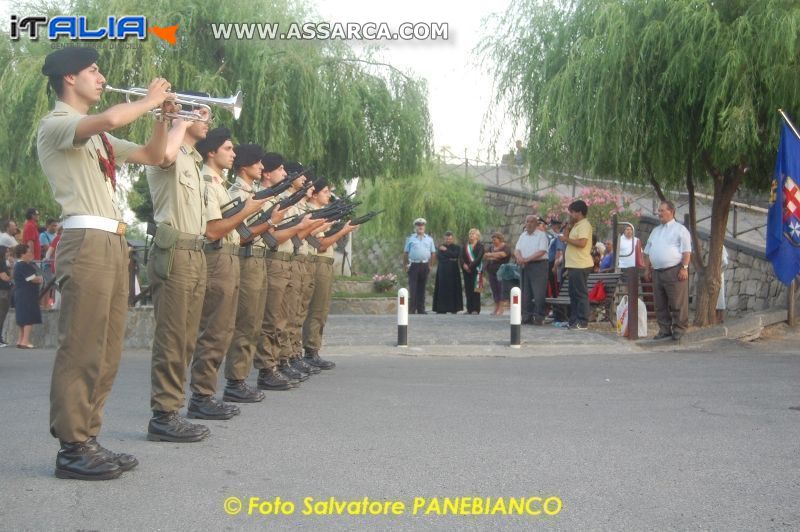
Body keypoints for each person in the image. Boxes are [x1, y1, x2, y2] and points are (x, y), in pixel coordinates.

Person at [38, 46, 173, 480]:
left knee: (108, 347)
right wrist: (148, 99)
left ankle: (88, 437)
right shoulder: (57, 124)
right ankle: (72, 447)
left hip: (113, 242)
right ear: (69, 79)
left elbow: (155, 155)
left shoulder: (97, 138)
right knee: (82, 345)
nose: (101, 77)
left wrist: (163, 116)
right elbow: (114, 117)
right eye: (93, 71)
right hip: (86, 240)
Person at [146, 94, 215, 443]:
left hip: (196, 251)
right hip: (175, 251)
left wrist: (184, 122)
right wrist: (178, 120)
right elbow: (164, 155)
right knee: (172, 337)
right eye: (199, 112)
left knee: (187, 337)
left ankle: (174, 407)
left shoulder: (195, 161)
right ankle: (163, 415)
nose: (206, 118)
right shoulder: (169, 151)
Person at [187, 128, 267, 420]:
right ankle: (202, 396)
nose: (233, 154)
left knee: (227, 329)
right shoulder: (209, 184)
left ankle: (212, 391)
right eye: (228, 149)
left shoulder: (218, 185)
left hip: (230, 258)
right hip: (219, 257)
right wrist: (247, 212)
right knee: (215, 330)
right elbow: (213, 230)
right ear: (212, 152)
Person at [302, 180, 357, 369]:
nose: (329, 195)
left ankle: (312, 349)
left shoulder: (320, 214)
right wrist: (342, 231)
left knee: (321, 309)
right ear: (315, 195)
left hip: (323, 263)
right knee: (315, 309)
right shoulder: (312, 213)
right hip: (316, 262)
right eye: (325, 191)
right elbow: (321, 244)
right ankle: (309, 351)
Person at [643, 200, 692, 341]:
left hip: (674, 270)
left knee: (677, 302)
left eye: (662, 210)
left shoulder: (680, 230)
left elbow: (687, 252)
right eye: (658, 211)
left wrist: (684, 268)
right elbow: (647, 251)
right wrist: (647, 269)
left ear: (671, 211)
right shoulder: (655, 230)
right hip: (657, 271)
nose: (659, 213)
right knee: (660, 303)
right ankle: (664, 329)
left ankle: (680, 329)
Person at [559, 200, 594, 330]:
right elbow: (567, 240)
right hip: (573, 264)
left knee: (580, 294)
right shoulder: (576, 225)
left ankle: (582, 321)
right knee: (573, 294)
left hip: (581, 264)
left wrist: (566, 239)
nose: (570, 214)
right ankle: (573, 320)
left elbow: (582, 243)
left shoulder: (584, 225)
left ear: (579, 212)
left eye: (572, 212)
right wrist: (568, 228)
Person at [515, 215, 550, 324]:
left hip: (538, 265)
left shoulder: (541, 235)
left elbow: (542, 251)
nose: (529, 224)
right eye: (527, 221)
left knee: (538, 292)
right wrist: (520, 258)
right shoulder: (522, 235)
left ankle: (539, 317)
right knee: (525, 292)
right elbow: (517, 249)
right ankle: (526, 316)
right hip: (525, 265)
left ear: (536, 224)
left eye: (532, 222)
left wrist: (527, 259)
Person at [12, 244, 43, 348]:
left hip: (20, 293)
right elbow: (33, 279)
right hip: (27, 294)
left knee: (22, 318)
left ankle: (20, 340)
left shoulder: (17, 265)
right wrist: (40, 278)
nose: (31, 254)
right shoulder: (24, 265)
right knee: (28, 317)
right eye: (29, 252)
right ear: (23, 254)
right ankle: (25, 341)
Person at [403, 218, 436, 314]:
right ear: (415, 227)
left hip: (425, 265)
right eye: (418, 225)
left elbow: (433, 253)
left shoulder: (429, 239)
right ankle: (412, 309)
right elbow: (405, 253)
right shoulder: (410, 239)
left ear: (424, 227)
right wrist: (405, 265)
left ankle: (421, 309)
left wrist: (431, 265)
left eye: (422, 225)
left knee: (422, 287)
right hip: (413, 265)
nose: (420, 227)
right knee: (413, 287)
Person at [432, 231, 463, 314]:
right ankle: (441, 308)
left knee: (453, 288)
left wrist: (446, 250)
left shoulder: (457, 247)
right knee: (442, 288)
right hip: (443, 270)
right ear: (444, 239)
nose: (448, 240)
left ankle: (454, 308)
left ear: (452, 239)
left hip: (454, 270)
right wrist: (450, 257)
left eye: (450, 239)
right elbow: (440, 257)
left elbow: (456, 255)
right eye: (446, 239)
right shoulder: (440, 247)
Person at [484, 232, 511, 315]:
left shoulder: (505, 247)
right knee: (494, 289)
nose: (493, 241)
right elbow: (485, 256)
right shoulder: (491, 247)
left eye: (495, 240)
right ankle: (496, 307)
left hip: (501, 271)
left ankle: (501, 308)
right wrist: (495, 256)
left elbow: (503, 255)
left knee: (501, 289)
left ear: (500, 239)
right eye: (492, 240)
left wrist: (491, 255)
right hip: (491, 271)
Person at [460, 228, 485, 315]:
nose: (471, 235)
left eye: (473, 234)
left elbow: (478, 258)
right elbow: (461, 257)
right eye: (470, 234)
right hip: (466, 271)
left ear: (477, 236)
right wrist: (464, 265)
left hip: (476, 270)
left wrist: (470, 266)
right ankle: (469, 309)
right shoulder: (465, 246)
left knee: (476, 290)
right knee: (468, 289)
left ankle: (475, 309)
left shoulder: (480, 246)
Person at [0, 246, 11, 347]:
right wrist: (12, 276)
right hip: (3, 291)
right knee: (1, 315)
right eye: (7, 252)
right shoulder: (2, 262)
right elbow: (4, 277)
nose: (9, 253)